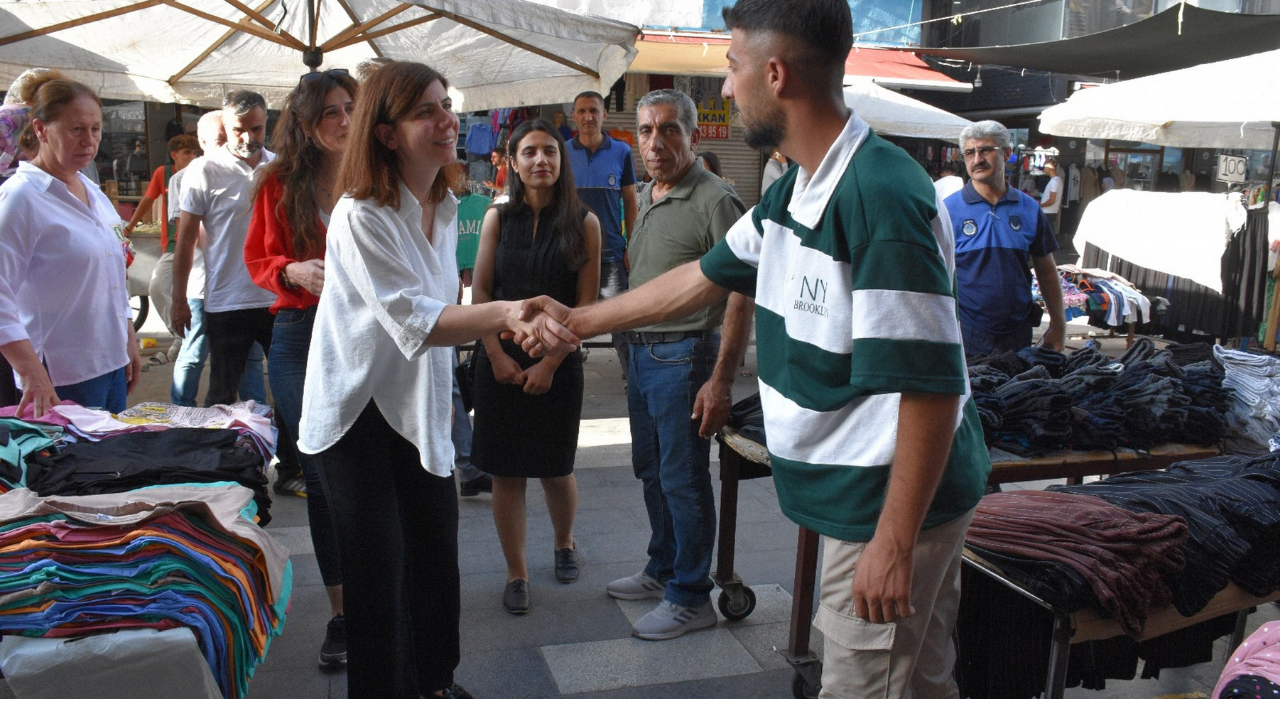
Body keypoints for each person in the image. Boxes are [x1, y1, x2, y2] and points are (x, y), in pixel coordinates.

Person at [516, 0, 990, 698]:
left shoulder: (880, 192)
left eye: (735, 69)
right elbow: (700, 276)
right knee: (917, 685)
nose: (729, 89)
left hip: (887, 508)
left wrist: (892, 543)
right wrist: (579, 321)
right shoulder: (799, 187)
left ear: (776, 74)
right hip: (861, 501)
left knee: (864, 691)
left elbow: (931, 385)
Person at [295, 60, 577, 699]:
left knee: (433, 553)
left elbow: (444, 304)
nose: (447, 119)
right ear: (387, 132)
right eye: (426, 110)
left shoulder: (445, 205)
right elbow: (414, 320)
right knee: (379, 571)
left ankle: (435, 684)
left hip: (418, 405)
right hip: (355, 414)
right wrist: (508, 313)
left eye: (445, 104)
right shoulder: (360, 215)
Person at [603, 89, 751, 641]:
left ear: (694, 135)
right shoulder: (647, 193)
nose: (655, 141)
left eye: (668, 129)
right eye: (645, 130)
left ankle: (691, 595)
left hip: (685, 357)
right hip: (641, 353)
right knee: (651, 470)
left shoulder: (716, 199)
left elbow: (742, 291)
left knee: (684, 479)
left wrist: (720, 379)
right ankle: (663, 566)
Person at [243, 68, 357, 669]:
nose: (341, 120)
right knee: (321, 466)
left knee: (364, 461)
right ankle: (342, 614)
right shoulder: (278, 181)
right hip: (299, 335)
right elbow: (258, 257)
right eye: (328, 113)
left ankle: (380, 594)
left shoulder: (374, 174)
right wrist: (290, 270)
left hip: (363, 336)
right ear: (306, 126)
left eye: (348, 109)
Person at [470, 118, 601, 615]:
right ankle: (516, 571)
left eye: (549, 151)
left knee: (555, 467)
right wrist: (497, 355)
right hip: (498, 363)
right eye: (529, 152)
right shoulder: (496, 218)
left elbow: (586, 310)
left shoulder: (584, 223)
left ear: (562, 161)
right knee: (506, 474)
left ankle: (564, 542)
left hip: (560, 363)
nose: (540, 160)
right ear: (513, 161)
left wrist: (548, 364)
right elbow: (482, 294)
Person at [0, 73, 142, 416]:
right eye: (75, 129)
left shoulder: (92, 192)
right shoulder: (21, 198)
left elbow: (114, 273)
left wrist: (128, 337)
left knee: (112, 464)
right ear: (40, 129)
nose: (88, 141)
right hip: (60, 374)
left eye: (95, 129)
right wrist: (30, 370)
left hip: (110, 363)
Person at [171, 90, 277, 407]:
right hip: (226, 302)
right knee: (221, 393)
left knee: (288, 391)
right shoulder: (203, 171)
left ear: (266, 122)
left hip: (277, 298)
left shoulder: (281, 168)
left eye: (256, 129)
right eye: (237, 130)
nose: (247, 137)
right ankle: (220, 454)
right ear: (226, 127)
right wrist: (179, 299)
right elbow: (186, 239)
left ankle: (286, 455)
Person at [944, 120, 1066, 355]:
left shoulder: (1029, 209)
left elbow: (1046, 270)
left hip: (1018, 330)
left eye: (986, 150)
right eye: (970, 152)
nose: (977, 159)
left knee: (1014, 390)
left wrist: (1059, 325)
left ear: (1007, 153)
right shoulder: (947, 210)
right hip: (965, 330)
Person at [567, 90, 638, 378]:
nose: (588, 117)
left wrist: (631, 246)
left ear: (604, 114)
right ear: (574, 115)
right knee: (566, 320)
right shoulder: (561, 151)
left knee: (621, 324)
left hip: (610, 255)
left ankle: (632, 380)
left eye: (594, 110)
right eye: (582, 111)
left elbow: (631, 202)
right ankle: (563, 375)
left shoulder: (621, 152)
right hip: (569, 253)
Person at [123, 133, 200, 364]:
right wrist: (130, 227)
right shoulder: (163, 174)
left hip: (199, 245)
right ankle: (182, 334)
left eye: (195, 152)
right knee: (157, 286)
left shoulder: (200, 172)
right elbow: (147, 201)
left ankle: (187, 338)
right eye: (187, 152)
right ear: (173, 155)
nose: (192, 157)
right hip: (174, 245)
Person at [452, 168, 493, 497]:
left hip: (443, 304)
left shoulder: (474, 205)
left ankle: (468, 466)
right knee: (449, 388)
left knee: (450, 386)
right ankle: (467, 465)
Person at [1039, 157, 1063, 232]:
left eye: (1045, 167)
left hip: (1048, 213)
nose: (1044, 169)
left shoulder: (1054, 182)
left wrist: (1040, 205)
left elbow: (1052, 200)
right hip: (1049, 212)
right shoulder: (1056, 180)